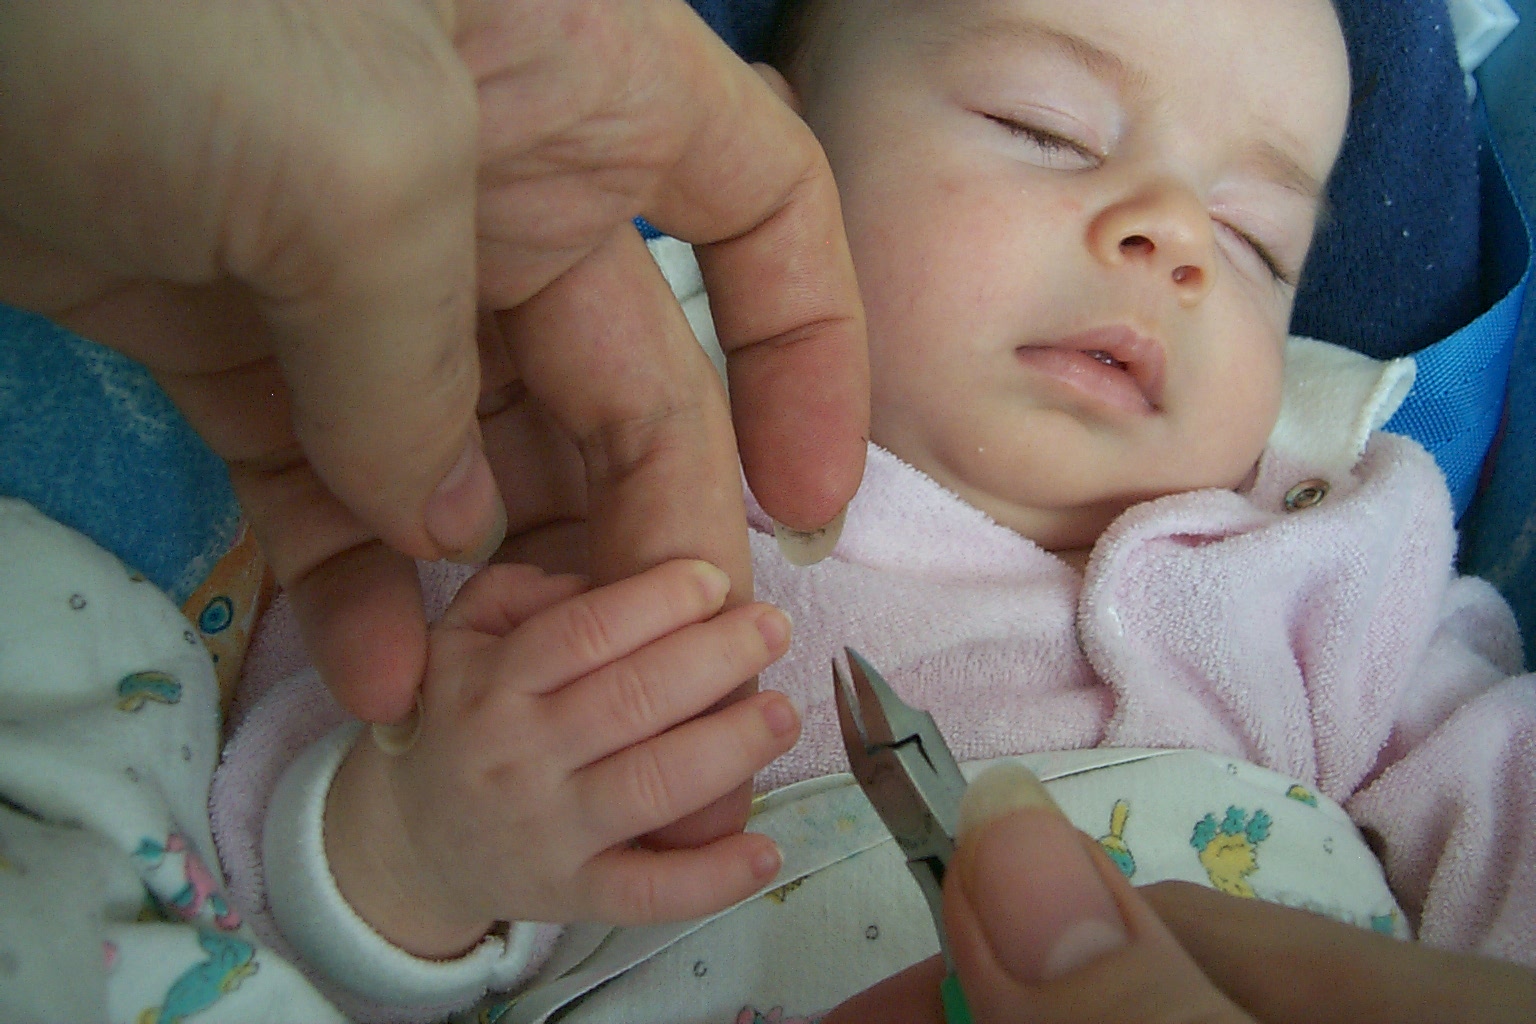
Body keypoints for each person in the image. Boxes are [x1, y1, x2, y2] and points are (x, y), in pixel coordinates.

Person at [209, 0, 1536, 1020]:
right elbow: (244, 893)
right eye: (1046, 130)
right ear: (749, 165)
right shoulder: (584, 493)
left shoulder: (1336, 560)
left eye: (1256, 243)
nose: (1175, 241)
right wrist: (418, 853)